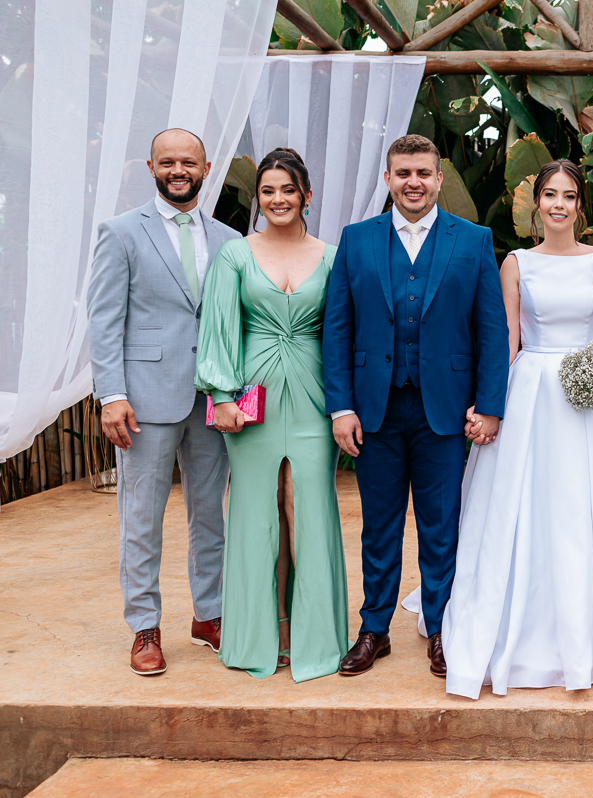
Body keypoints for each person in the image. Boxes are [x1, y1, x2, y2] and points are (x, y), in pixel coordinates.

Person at [440, 160, 593, 698]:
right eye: (549, 194)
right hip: (530, 393)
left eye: (568, 196)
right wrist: (489, 402)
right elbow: (506, 338)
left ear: (580, 205)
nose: (558, 204)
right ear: (535, 204)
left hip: (590, 398)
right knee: (525, 507)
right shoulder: (517, 263)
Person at [323, 134, 509, 678]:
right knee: (377, 525)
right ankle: (374, 629)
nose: (413, 183)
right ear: (387, 179)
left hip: (445, 412)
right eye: (403, 173)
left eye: (423, 173)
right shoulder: (356, 241)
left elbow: (491, 331)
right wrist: (341, 407)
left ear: (438, 179)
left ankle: (442, 629)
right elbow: (338, 330)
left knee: (440, 525)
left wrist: (490, 404)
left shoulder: (472, 240)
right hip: (373, 410)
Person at [88, 128, 238, 676]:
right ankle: (144, 626)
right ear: (151, 166)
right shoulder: (122, 232)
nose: (179, 170)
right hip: (145, 399)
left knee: (210, 515)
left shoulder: (228, 239)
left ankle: (211, 614)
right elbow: (105, 320)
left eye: (189, 162)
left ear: (205, 168)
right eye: (168, 161)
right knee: (141, 517)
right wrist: (111, 394)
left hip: (213, 399)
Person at [195, 148, 348, 682]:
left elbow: (344, 333)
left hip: (313, 393)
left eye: (288, 189)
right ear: (256, 198)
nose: (278, 199)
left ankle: (313, 636)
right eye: (267, 191)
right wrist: (222, 398)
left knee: (304, 505)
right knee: (257, 510)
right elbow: (217, 330)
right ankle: (264, 632)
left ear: (306, 194)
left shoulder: (332, 256)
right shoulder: (235, 256)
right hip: (251, 397)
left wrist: (345, 404)